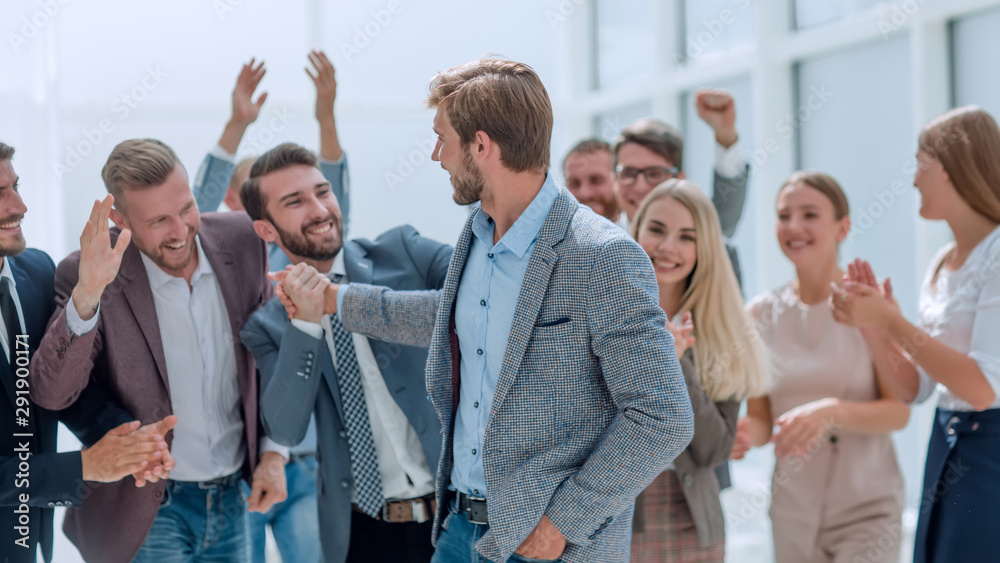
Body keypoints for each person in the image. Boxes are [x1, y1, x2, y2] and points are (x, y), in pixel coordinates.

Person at [275, 57, 695, 563]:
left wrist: (563, 524)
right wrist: (333, 299)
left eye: (442, 138)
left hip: (544, 546)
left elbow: (662, 416)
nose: (435, 155)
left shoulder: (601, 256)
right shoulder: (476, 234)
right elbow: (442, 319)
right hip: (459, 531)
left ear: (481, 145)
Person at [28, 139, 289, 563]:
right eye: (159, 220)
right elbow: (53, 394)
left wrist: (276, 452)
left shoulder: (244, 238)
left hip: (231, 497)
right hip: (143, 507)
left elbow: (270, 357)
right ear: (119, 219)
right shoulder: (87, 271)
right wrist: (89, 292)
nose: (181, 230)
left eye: (186, 208)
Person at [239, 142, 453, 563]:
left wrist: (342, 298)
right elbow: (285, 428)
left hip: (452, 520)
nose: (318, 210)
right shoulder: (267, 325)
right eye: (295, 201)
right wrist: (304, 322)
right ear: (266, 230)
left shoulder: (404, 251)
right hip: (362, 535)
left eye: (322, 191)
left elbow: (475, 299)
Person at [192, 52, 348, 563]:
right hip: (244, 459)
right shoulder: (216, 262)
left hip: (305, 460)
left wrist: (326, 118)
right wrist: (236, 125)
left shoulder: (298, 255)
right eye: (237, 192)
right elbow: (197, 209)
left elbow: (332, 193)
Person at [831, 106, 1000, 563]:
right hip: (945, 445)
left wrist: (893, 322)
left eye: (920, 164)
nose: (912, 181)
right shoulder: (941, 263)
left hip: (990, 449)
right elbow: (915, 388)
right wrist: (875, 329)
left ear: (947, 169)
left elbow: (982, 389)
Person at [0, 141, 176, 563]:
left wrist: (128, 439)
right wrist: (83, 468)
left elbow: (59, 390)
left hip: (25, 539)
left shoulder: (37, 270)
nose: (20, 205)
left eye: (15, 186)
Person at [732, 171, 908, 562]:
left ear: (843, 227)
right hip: (793, 512)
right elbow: (762, 419)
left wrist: (831, 412)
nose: (794, 227)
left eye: (810, 214)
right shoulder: (758, 314)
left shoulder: (871, 304)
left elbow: (898, 412)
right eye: (783, 215)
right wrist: (742, 434)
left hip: (867, 511)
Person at [627, 180, 768, 562]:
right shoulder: (606, 314)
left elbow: (715, 449)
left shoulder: (724, 331)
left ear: (704, 248)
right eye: (656, 229)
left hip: (691, 520)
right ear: (635, 230)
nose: (668, 246)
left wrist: (677, 366)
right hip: (616, 514)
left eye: (687, 237)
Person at [192, 51, 350, 272]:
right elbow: (191, 223)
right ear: (229, 196)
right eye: (293, 200)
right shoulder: (229, 248)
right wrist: (236, 125)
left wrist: (326, 119)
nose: (315, 210)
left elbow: (333, 200)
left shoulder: (312, 240)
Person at [612, 90, 748, 239]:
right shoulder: (595, 244)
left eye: (654, 174)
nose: (640, 186)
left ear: (679, 179)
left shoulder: (697, 237)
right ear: (614, 179)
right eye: (628, 173)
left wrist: (725, 135)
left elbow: (722, 220)